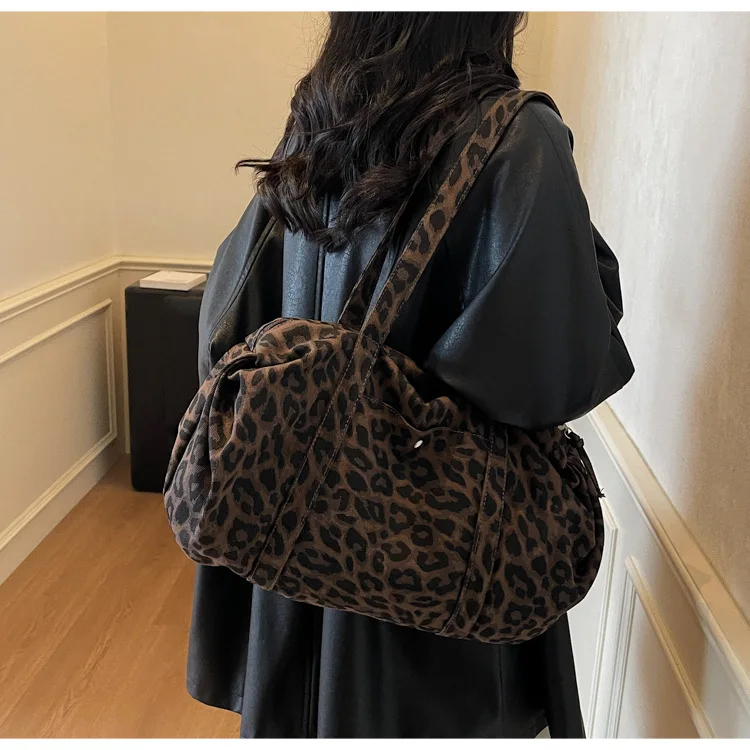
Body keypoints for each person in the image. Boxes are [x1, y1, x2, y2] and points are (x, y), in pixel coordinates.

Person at [186, 11, 634, 738]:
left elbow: (225, 325)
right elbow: (554, 370)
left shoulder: (314, 133)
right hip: (440, 561)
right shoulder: (517, 138)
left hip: (300, 546)